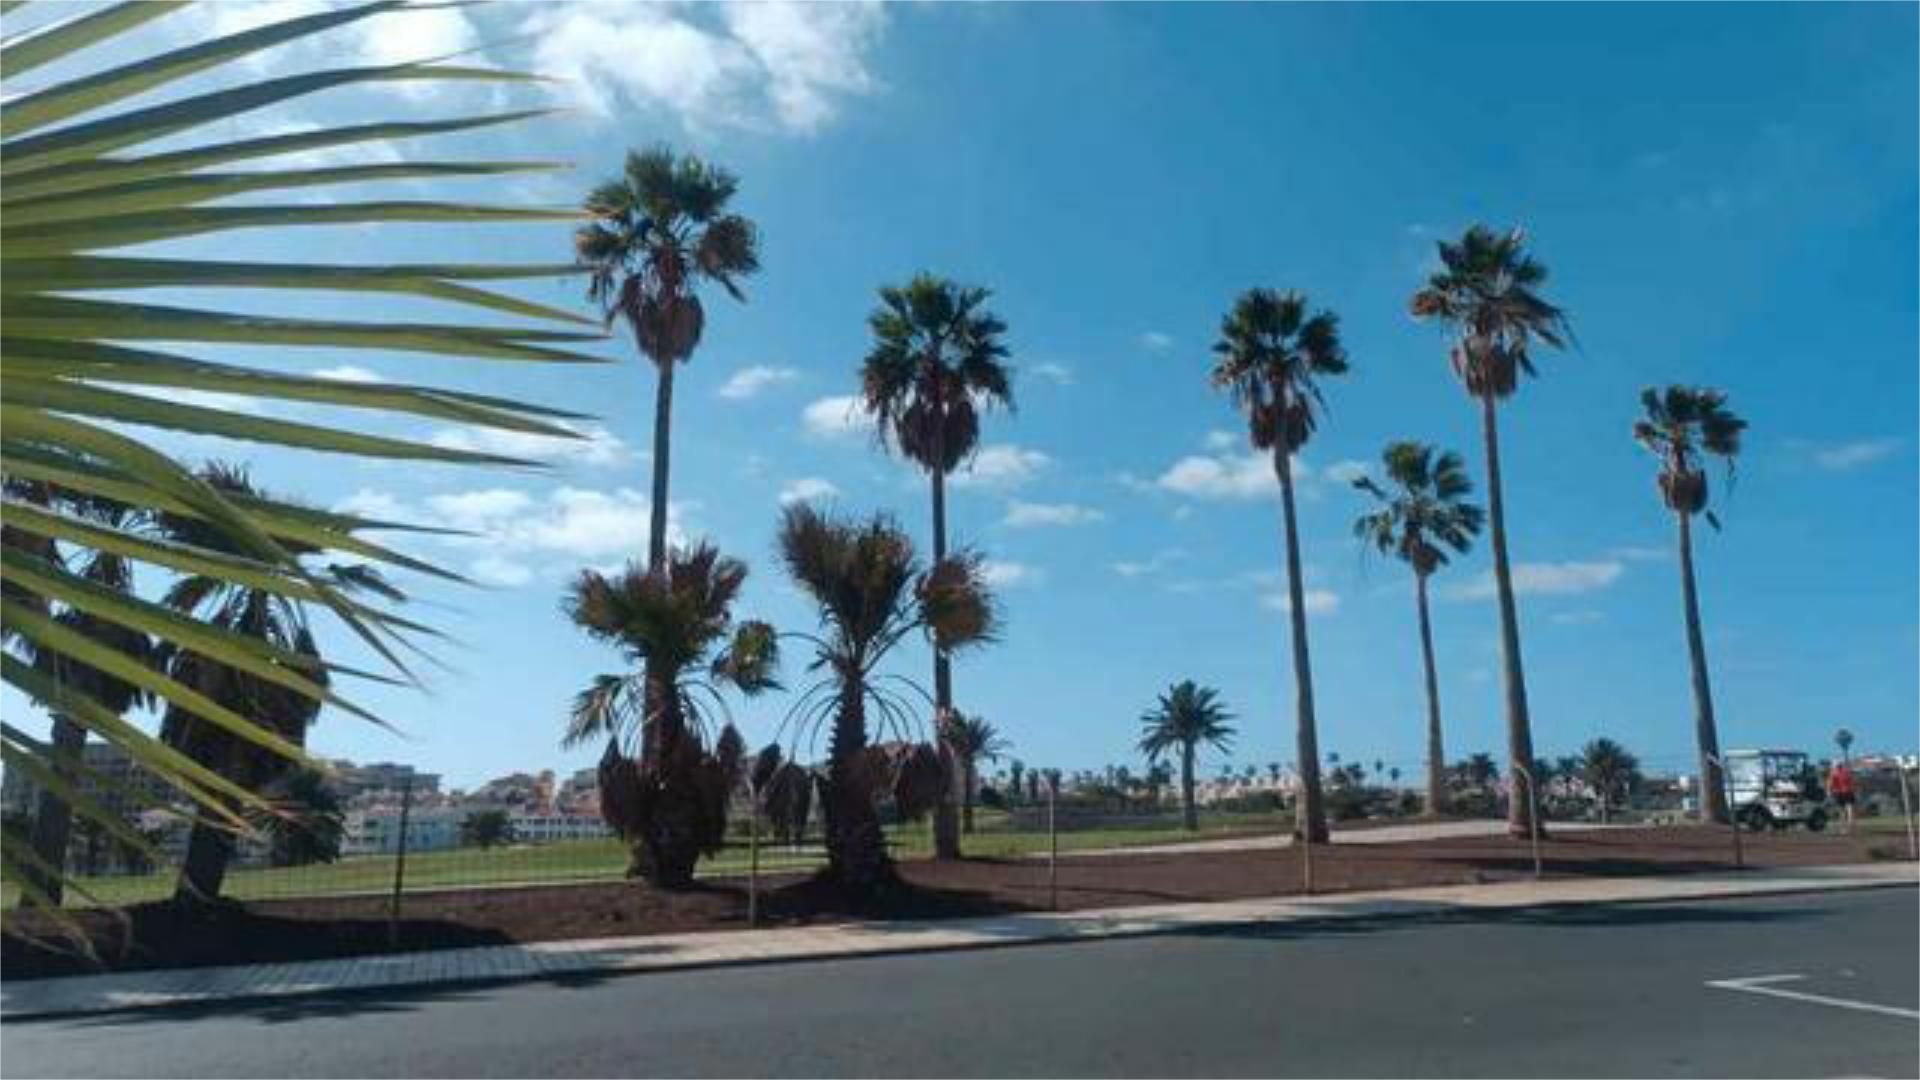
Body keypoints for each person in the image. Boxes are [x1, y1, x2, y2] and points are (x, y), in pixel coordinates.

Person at [1827, 759, 1856, 833]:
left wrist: (1829, 791)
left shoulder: (1834, 773)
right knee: (1849, 809)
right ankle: (1850, 826)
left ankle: (1844, 828)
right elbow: (1851, 781)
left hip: (1840, 793)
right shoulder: (1846, 772)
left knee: (1842, 811)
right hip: (1848, 792)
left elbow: (1830, 783)